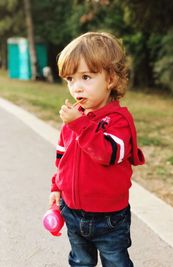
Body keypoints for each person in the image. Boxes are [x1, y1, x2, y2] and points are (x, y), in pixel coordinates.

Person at [49, 32, 145, 267]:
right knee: (80, 261)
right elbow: (63, 157)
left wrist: (79, 124)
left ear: (110, 79)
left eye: (86, 77)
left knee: (115, 262)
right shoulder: (75, 119)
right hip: (72, 211)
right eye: (70, 79)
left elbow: (108, 153)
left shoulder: (119, 121)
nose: (76, 87)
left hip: (109, 217)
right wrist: (56, 186)